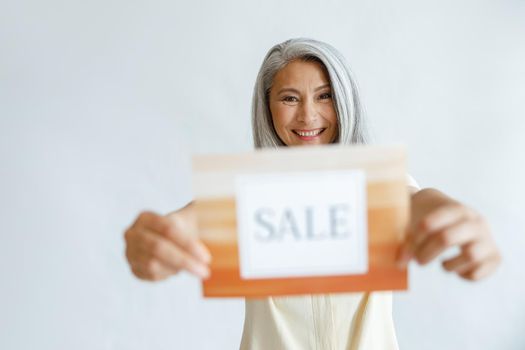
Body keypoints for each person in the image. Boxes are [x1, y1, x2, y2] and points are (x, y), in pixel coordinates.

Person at [123, 38, 501, 349]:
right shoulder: (248, 193)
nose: (308, 116)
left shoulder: (376, 186)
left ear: (344, 101)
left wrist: (457, 215)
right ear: (267, 107)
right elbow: (191, 221)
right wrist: (153, 238)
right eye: (289, 98)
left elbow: (417, 201)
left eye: (324, 96)